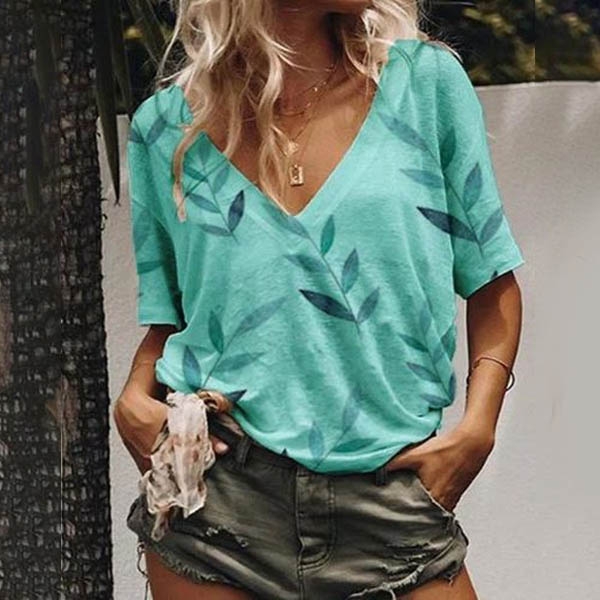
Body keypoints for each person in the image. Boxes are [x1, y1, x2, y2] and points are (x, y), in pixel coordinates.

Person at [113, 1, 525, 599]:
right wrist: (133, 397)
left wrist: (478, 429)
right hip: (217, 501)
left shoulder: (424, 87)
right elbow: (172, 318)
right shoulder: (165, 129)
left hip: (387, 490)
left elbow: (492, 282)